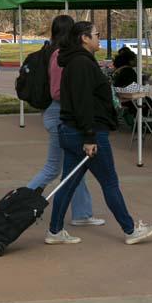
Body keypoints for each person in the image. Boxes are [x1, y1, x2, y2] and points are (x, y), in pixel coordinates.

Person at [45, 21, 152, 246]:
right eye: (97, 35)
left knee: (68, 183)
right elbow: (83, 103)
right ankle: (130, 229)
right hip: (88, 133)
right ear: (84, 38)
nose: (100, 38)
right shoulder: (81, 64)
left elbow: (88, 98)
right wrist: (89, 137)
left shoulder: (78, 62)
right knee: (109, 181)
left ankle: (55, 231)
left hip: (77, 131)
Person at [26, 15, 101, 226]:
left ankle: (82, 213)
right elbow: (58, 91)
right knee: (54, 168)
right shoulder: (61, 57)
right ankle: (18, 204)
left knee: (75, 167)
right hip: (60, 114)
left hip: (59, 113)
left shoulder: (59, 54)